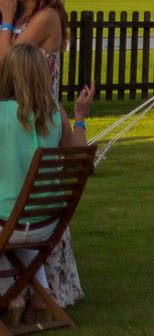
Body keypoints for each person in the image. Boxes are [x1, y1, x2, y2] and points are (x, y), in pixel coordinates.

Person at [0, 45, 90, 312]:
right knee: (16, 225)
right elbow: (79, 163)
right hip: (46, 225)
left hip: (9, 224)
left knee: (9, 225)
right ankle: (39, 295)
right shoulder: (56, 113)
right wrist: (80, 118)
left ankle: (10, 297)